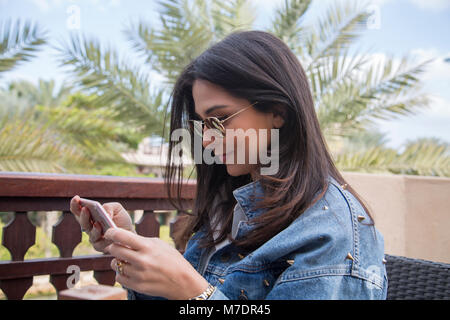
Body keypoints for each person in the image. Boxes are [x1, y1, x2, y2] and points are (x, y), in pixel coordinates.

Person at [70, 30, 388, 300]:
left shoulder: (330, 235)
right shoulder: (232, 209)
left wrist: (196, 292)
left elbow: (195, 295)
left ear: (278, 110)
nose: (207, 140)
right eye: (203, 125)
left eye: (220, 120)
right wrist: (131, 246)